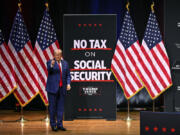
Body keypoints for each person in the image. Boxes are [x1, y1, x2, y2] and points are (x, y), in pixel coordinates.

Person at [46, 49, 71, 131]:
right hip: (52, 89)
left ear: (61, 55)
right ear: (54, 55)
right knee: (52, 108)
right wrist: (52, 65)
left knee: (60, 108)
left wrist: (68, 84)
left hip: (62, 89)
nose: (57, 56)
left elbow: (68, 75)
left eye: (59, 55)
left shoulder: (65, 63)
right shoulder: (50, 62)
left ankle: (60, 124)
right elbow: (49, 70)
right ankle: (53, 125)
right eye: (56, 55)